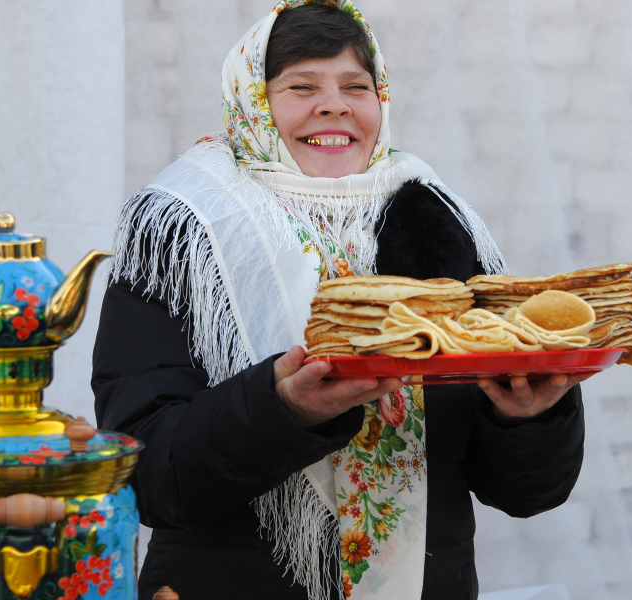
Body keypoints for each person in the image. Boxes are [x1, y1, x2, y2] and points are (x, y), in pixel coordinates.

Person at [92, 2, 589, 598]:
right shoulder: (182, 231)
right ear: (251, 100)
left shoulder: (436, 219)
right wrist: (283, 411)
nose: (335, 105)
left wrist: (528, 417)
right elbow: (147, 477)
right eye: (302, 86)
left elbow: (527, 493)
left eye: (356, 86)